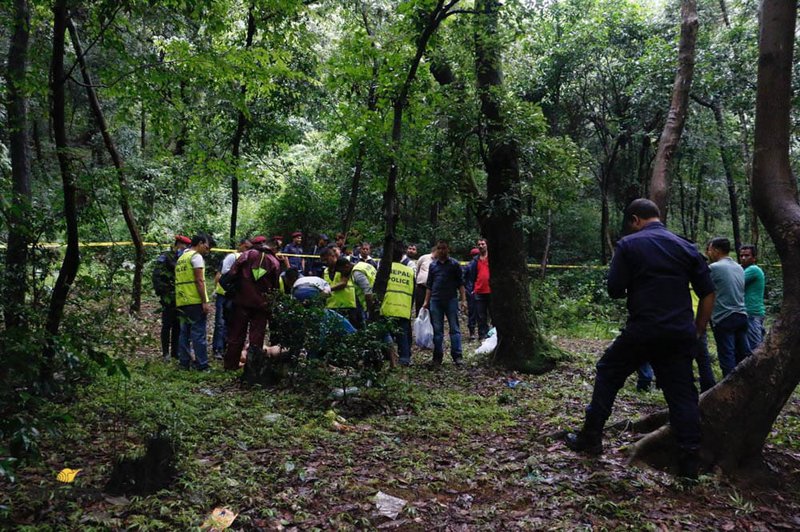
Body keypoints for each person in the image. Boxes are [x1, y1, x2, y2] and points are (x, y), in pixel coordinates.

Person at [564, 199, 715, 480]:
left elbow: (614, 289)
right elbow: (708, 292)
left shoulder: (629, 245)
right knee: (682, 394)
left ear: (635, 219)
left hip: (643, 329)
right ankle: (689, 462)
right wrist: (698, 329)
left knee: (609, 372)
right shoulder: (686, 247)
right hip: (679, 333)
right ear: (657, 217)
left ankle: (592, 435)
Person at [223, 236, 281, 371]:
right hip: (261, 306)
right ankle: (252, 369)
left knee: (236, 335)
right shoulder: (275, 262)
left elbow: (231, 274)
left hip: (241, 302)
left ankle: (230, 366)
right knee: (257, 338)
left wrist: (233, 290)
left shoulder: (246, 255)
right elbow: (275, 287)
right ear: (273, 248)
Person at [707, 237, 751, 376]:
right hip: (742, 315)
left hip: (724, 317)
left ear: (716, 250)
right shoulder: (739, 267)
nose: (708, 253)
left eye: (709, 249)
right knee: (743, 355)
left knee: (727, 356)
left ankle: (730, 390)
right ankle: (746, 383)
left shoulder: (714, 268)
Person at [423, 240, 467, 367]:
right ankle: (437, 357)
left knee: (454, 329)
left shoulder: (454, 264)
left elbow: (461, 284)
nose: (441, 251)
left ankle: (457, 356)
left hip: (451, 300)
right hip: (435, 300)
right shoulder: (433, 266)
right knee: (437, 331)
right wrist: (426, 302)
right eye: (439, 248)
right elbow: (429, 285)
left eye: (444, 248)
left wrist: (463, 300)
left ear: (448, 249)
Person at [175, 234, 214, 371]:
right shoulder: (196, 257)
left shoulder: (181, 258)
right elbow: (199, 281)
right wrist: (204, 301)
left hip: (182, 300)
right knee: (198, 334)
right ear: (201, 243)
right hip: (194, 300)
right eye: (206, 246)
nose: (207, 250)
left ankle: (184, 363)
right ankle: (202, 365)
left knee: (184, 333)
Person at [212, 238, 251, 360]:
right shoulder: (232, 257)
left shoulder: (248, 259)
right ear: (241, 246)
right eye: (245, 247)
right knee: (220, 322)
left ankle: (227, 347)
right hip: (224, 293)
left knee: (232, 322)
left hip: (235, 295)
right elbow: (223, 275)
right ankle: (218, 348)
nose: (247, 250)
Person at [153, 235, 190, 360]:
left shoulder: (183, 258)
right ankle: (165, 353)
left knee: (177, 324)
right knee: (167, 324)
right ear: (178, 244)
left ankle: (175, 352)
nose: (185, 248)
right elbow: (157, 275)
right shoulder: (165, 257)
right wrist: (163, 292)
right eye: (184, 246)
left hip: (180, 295)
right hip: (168, 295)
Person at [380, 242, 415, 366]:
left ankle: (388, 356)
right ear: (401, 256)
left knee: (385, 332)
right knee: (403, 335)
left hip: (387, 305)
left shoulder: (385, 269)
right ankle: (405, 359)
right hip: (403, 307)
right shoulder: (409, 271)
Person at [321, 246, 359, 326]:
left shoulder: (343, 265)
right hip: (331, 306)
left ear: (333, 256)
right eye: (323, 261)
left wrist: (328, 289)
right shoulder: (325, 271)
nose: (325, 262)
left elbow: (343, 283)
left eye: (326, 260)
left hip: (347, 305)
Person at [739, 244, 766, 351]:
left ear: (754, 258)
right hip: (750, 313)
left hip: (752, 313)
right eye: (741, 256)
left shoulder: (753, 269)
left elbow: (736, 282)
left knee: (755, 349)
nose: (743, 258)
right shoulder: (745, 269)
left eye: (747, 255)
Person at [472, 238, 492, 340]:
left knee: (493, 314)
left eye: (482, 244)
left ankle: (493, 334)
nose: (480, 246)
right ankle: (482, 334)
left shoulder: (492, 258)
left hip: (491, 290)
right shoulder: (475, 260)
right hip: (479, 290)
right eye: (479, 244)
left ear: (487, 245)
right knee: (480, 315)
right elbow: (473, 275)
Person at [351, 259, 377, 328]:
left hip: (371, 304)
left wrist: (369, 311)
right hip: (378, 300)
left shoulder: (357, 272)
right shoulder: (363, 265)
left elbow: (368, 292)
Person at [463, 248, 480, 341]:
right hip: (473, 290)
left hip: (472, 290)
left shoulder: (469, 265)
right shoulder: (473, 265)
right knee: (477, 312)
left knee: (473, 312)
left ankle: (473, 332)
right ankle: (475, 332)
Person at [414, 246, 436, 316]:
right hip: (421, 287)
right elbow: (417, 270)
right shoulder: (424, 258)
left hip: (433, 289)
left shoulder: (439, 261)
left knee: (431, 309)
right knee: (419, 307)